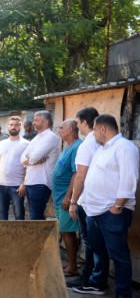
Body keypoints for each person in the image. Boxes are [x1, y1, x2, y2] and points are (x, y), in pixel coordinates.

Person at [72, 114, 139, 297]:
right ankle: (98, 284)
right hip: (94, 211)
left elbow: (129, 179)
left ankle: (123, 294)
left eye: (94, 130)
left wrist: (118, 206)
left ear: (102, 129)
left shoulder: (125, 147)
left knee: (119, 256)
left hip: (112, 212)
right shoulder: (102, 149)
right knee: (98, 251)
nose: (93, 134)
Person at [68, 107, 109, 289]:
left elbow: (80, 175)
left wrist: (73, 201)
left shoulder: (88, 143)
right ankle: (91, 278)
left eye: (78, 123)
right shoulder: (102, 142)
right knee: (95, 242)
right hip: (99, 200)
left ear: (85, 122)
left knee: (91, 242)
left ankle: (91, 279)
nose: (78, 127)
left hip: (88, 201)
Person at [52, 119, 82, 277]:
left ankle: (72, 267)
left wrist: (68, 197)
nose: (59, 130)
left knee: (67, 232)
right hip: (58, 198)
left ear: (70, 129)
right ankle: (71, 264)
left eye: (61, 128)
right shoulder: (68, 147)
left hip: (65, 197)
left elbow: (76, 173)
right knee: (64, 232)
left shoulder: (77, 147)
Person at [0, 116, 29, 220]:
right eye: (11, 125)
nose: (13, 127)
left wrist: (24, 184)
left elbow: (29, 167)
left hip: (17, 186)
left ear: (20, 127)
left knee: (19, 216)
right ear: (8, 127)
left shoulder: (26, 144)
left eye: (16, 125)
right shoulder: (2, 143)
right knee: (1, 216)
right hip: (0, 186)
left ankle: (19, 236)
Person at [20, 110, 60, 220]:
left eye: (36, 120)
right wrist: (31, 160)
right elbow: (22, 157)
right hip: (31, 181)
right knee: (34, 218)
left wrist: (30, 160)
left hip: (41, 183)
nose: (33, 123)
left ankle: (41, 238)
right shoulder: (37, 137)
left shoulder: (51, 137)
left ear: (45, 122)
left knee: (36, 218)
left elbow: (32, 157)